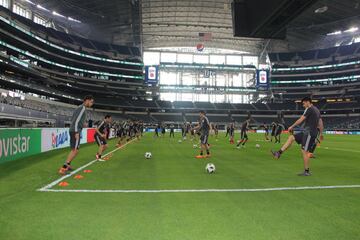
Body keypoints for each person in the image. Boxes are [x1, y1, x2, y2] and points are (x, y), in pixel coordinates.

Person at [271, 97, 323, 176]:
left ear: (307, 102)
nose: (303, 105)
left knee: (304, 152)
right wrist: (321, 133)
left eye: (303, 103)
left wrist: (292, 126)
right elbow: (320, 123)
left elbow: (300, 120)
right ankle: (279, 153)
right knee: (291, 137)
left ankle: (306, 171)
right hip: (307, 132)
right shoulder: (317, 110)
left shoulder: (310, 109)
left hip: (309, 133)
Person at [58, 95, 94, 175]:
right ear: (87, 100)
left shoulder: (80, 107)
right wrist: (77, 132)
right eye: (91, 102)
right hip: (75, 131)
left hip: (74, 129)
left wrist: (82, 124)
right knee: (75, 150)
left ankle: (68, 165)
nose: (92, 104)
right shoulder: (82, 108)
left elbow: (75, 119)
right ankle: (64, 167)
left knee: (74, 150)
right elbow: (76, 120)